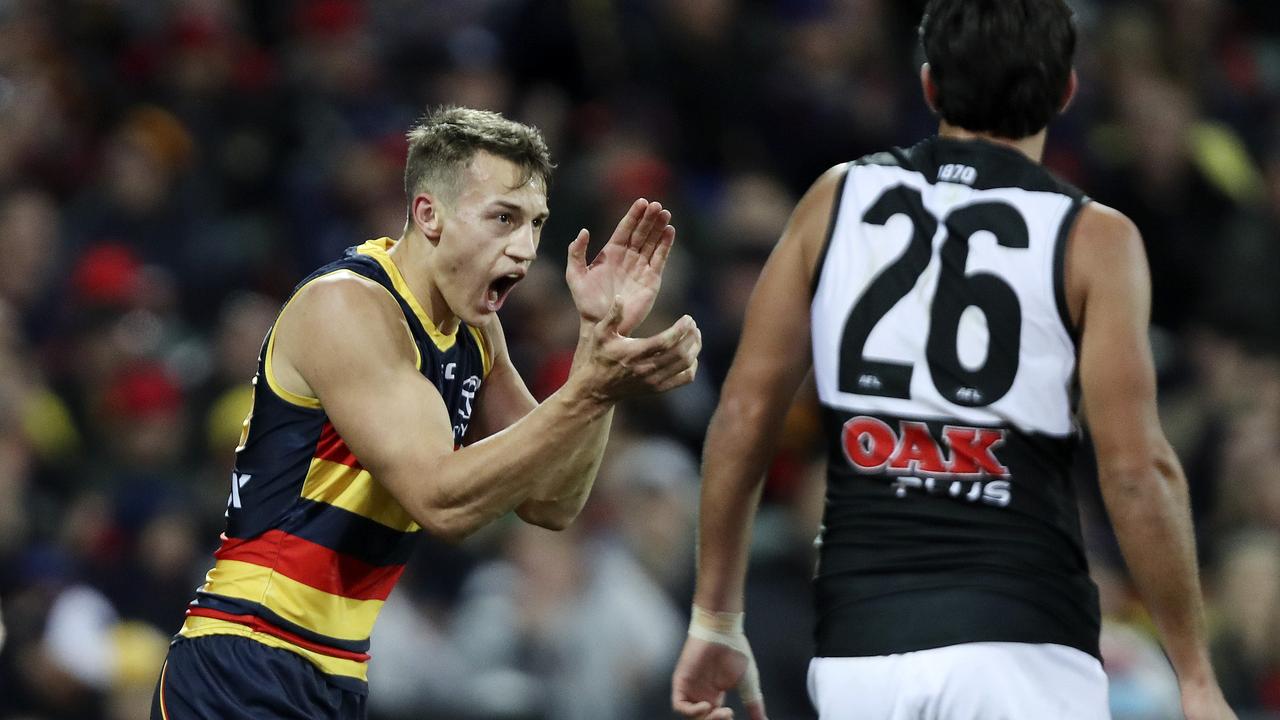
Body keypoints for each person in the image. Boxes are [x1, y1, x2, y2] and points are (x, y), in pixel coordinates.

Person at [670, 1, 1237, 719]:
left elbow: (746, 412)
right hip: (1022, 646)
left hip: (860, 653)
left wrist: (715, 617)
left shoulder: (835, 198)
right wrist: (1193, 674)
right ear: (1066, 92)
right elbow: (1134, 471)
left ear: (930, 85)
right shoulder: (1093, 237)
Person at [150, 106, 701, 720]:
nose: (523, 248)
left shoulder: (475, 330)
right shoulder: (349, 308)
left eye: (535, 224)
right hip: (245, 654)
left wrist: (598, 345)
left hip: (334, 673)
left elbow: (553, 501)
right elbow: (441, 500)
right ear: (428, 214)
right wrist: (589, 390)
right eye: (502, 218)